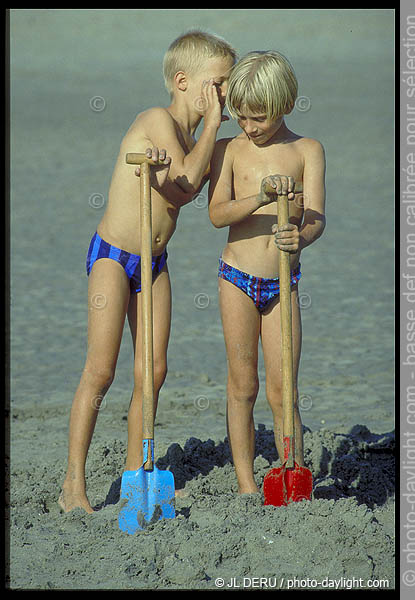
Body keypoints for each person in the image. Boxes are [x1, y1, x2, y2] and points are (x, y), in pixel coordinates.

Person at [59, 30, 236, 513]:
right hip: (114, 257)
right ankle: (72, 485)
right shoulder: (157, 120)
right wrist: (215, 125)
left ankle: (137, 474)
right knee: (101, 370)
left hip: (154, 263)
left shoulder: (188, 137)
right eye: (218, 84)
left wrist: (210, 134)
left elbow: (188, 189)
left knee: (152, 371)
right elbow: (183, 186)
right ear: (184, 81)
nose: (224, 94)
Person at [208, 50, 326, 494]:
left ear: (285, 107)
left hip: (283, 283)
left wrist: (303, 235)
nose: (248, 127)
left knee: (283, 388)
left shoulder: (307, 150)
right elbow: (217, 214)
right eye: (241, 117)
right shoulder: (230, 150)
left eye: (258, 118)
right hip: (237, 278)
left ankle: (290, 469)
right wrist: (258, 198)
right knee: (243, 384)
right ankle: (245, 483)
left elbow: (316, 216)